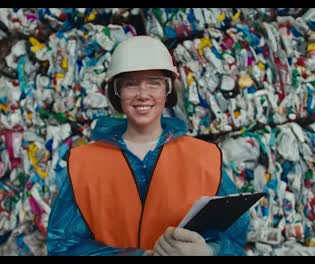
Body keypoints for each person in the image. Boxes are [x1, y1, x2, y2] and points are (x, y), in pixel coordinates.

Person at [46, 35, 250, 256]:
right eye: (130, 84)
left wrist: (211, 251)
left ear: (167, 90)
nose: (143, 95)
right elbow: (62, 247)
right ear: (117, 92)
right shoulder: (83, 164)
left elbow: (235, 238)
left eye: (154, 83)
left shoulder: (205, 158)